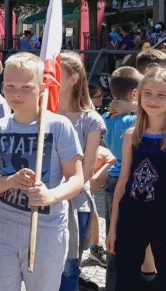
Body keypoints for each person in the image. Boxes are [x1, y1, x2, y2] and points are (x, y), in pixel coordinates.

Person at [0, 52, 84, 291]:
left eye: (26, 87)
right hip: (2, 229)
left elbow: (77, 179)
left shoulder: (58, 126)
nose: (16, 94)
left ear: (42, 87)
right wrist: (10, 181)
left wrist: (52, 196)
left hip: (46, 230)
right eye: (9, 86)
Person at [106, 68, 166, 291]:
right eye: (148, 93)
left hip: (165, 220)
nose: (153, 100)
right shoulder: (131, 135)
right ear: (138, 95)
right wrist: (113, 227)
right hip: (131, 217)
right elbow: (123, 183)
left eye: (161, 95)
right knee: (124, 280)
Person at [57, 53, 106, 291]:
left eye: (55, 72)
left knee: (69, 268)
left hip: (74, 204)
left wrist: (56, 193)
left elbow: (86, 172)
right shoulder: (41, 114)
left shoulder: (90, 120)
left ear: (73, 79)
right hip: (40, 204)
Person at [101, 66, 143, 290]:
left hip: (110, 180)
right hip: (129, 181)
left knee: (112, 237)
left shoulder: (105, 118)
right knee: (130, 238)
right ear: (135, 94)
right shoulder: (133, 122)